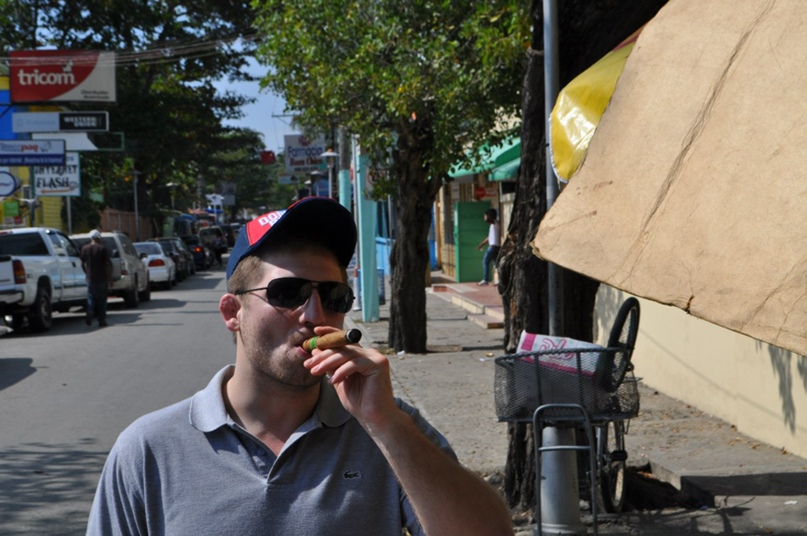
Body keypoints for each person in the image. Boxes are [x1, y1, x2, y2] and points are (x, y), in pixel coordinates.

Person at [86, 197, 514, 536]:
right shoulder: (148, 450)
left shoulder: (391, 429)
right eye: (288, 292)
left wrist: (387, 427)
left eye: (334, 297)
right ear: (232, 312)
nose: (314, 314)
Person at [80, 229, 112, 327]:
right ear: (98, 238)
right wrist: (109, 278)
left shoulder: (85, 249)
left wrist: (87, 273)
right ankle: (101, 321)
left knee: (90, 297)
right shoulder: (102, 249)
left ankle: (90, 311)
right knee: (102, 300)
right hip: (102, 279)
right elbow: (107, 265)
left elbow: (82, 263)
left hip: (90, 279)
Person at [476, 208, 501, 286]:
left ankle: (485, 279)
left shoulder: (494, 224)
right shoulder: (493, 225)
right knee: (497, 264)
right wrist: (481, 244)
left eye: (486, 216)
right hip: (496, 247)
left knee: (485, 261)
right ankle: (499, 280)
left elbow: (489, 220)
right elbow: (489, 238)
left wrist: (488, 216)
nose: (484, 218)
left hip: (493, 247)